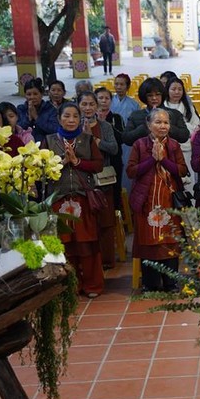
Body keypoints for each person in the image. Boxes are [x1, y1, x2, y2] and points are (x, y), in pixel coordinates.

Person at [45, 102, 105, 297]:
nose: (71, 120)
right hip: (59, 199)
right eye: (66, 116)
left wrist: (77, 162)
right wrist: (61, 163)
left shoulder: (87, 140)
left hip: (83, 199)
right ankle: (70, 286)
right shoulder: (49, 141)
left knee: (87, 244)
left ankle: (92, 285)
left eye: (75, 117)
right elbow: (41, 172)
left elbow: (98, 165)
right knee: (65, 244)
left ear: (80, 119)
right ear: (59, 118)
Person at [127, 109, 188, 292]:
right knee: (149, 241)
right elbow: (131, 171)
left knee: (170, 240)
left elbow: (182, 170)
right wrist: (152, 160)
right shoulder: (139, 145)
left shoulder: (174, 145)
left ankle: (171, 282)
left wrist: (164, 160)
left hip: (169, 199)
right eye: (158, 122)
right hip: (146, 200)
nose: (163, 126)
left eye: (166, 123)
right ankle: (151, 283)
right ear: (148, 125)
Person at [78, 91, 120, 269]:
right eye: (84, 104)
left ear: (97, 106)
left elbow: (114, 149)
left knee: (106, 221)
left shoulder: (105, 126)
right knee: (86, 222)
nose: (88, 108)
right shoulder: (73, 126)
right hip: (82, 180)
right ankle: (87, 261)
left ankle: (107, 260)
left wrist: (94, 140)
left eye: (91, 104)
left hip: (103, 179)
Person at [122, 77, 190, 146]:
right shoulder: (136, 115)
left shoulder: (175, 114)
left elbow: (184, 136)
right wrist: (146, 125)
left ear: (162, 95)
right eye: (150, 95)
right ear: (144, 97)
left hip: (169, 154)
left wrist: (165, 125)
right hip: (143, 155)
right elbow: (126, 139)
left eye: (157, 94)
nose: (154, 98)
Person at [94, 86, 126, 221]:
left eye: (107, 98)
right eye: (100, 98)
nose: (104, 101)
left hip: (114, 160)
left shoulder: (116, 118)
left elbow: (121, 138)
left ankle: (115, 217)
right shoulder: (89, 120)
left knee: (114, 191)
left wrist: (106, 125)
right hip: (96, 161)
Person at [17, 78, 58, 143]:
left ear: (41, 94)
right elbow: (17, 129)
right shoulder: (21, 109)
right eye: (29, 94)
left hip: (46, 145)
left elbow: (54, 129)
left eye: (35, 94)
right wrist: (29, 118)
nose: (32, 97)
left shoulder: (50, 109)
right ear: (25, 95)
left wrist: (36, 117)